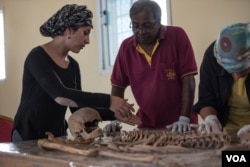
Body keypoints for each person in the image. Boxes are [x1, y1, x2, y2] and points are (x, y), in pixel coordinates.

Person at [12, 4, 141, 142]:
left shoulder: (73, 66)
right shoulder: (37, 57)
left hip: (57, 135)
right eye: (85, 33)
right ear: (69, 30)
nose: (88, 40)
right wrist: (109, 100)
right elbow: (60, 95)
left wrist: (114, 114)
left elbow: (77, 108)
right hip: (27, 134)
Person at [109, 0, 198, 132]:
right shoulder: (126, 48)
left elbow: (188, 79)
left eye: (147, 25)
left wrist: (184, 118)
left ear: (159, 21)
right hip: (147, 125)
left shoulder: (177, 36)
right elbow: (117, 87)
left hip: (181, 124)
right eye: (135, 26)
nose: (141, 31)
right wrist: (114, 118)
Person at [193, 22, 250, 136]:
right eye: (230, 70)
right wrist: (210, 118)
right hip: (227, 130)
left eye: (242, 70)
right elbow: (206, 98)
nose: (237, 76)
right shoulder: (212, 57)